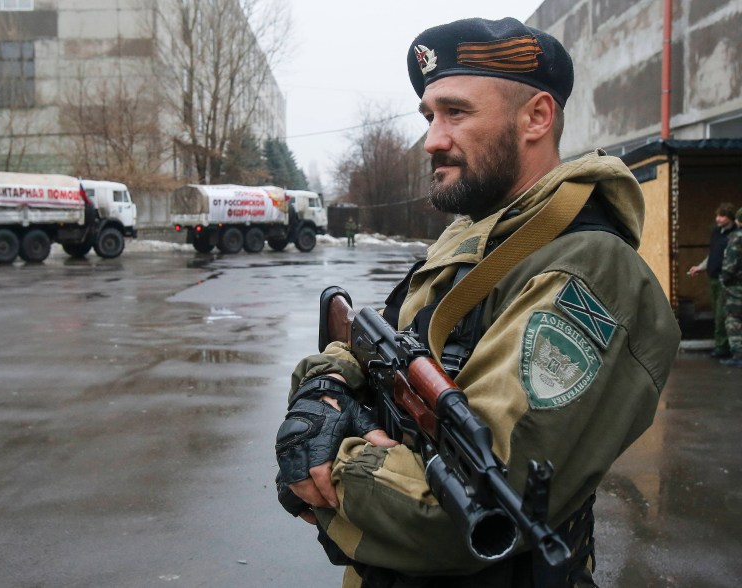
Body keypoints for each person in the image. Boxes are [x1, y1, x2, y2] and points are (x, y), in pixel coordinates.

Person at [275, 17, 680, 588]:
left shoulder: (588, 270)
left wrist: (328, 460)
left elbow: (466, 511)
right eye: (430, 116)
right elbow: (375, 337)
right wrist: (327, 386)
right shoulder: (476, 235)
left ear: (536, 117)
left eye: (456, 113)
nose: (433, 139)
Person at [687, 203, 738, 359]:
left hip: (726, 280)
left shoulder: (735, 235)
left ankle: (724, 346)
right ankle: (721, 344)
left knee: (723, 314)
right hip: (713, 277)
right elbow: (713, 255)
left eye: (722, 216)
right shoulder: (717, 232)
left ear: (730, 218)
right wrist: (701, 267)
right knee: (717, 312)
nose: (718, 218)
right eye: (717, 215)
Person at [719, 207, 742, 367]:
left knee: (733, 319)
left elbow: (730, 264)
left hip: (736, 287)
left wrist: (724, 278)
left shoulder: (736, 238)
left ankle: (738, 355)